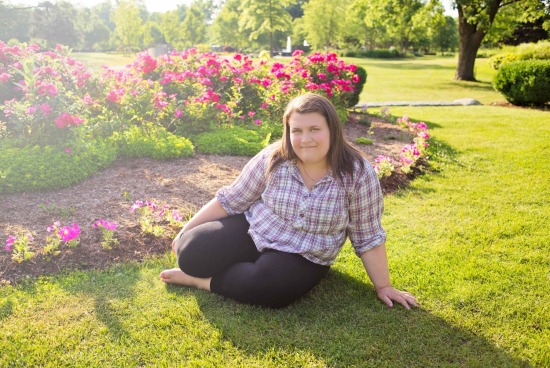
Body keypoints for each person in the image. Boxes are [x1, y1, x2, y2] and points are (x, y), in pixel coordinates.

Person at [160, 93, 418, 309]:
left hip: (304, 252)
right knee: (190, 250)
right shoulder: (273, 158)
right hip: (256, 229)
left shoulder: (358, 173)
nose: (305, 139)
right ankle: (223, 267)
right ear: (288, 132)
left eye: (315, 129)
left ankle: (200, 281)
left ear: (332, 130)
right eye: (297, 130)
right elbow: (231, 200)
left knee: (268, 287)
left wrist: (384, 286)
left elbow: (367, 234)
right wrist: (185, 230)